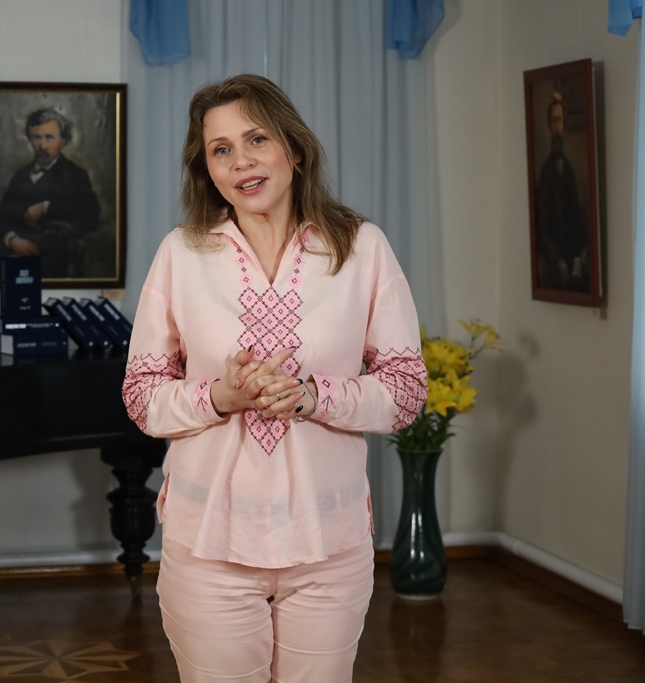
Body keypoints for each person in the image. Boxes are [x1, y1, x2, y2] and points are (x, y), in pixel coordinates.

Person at [121, 74, 428, 683]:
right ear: (207, 169)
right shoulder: (181, 252)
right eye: (221, 149)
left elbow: (406, 390)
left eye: (256, 139)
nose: (241, 161)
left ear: (295, 147)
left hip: (329, 545)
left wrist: (314, 397)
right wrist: (221, 397)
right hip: (207, 543)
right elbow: (141, 395)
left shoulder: (361, 248)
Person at [0, 107, 100, 278]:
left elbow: (91, 216)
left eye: (49, 138)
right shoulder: (21, 176)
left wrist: (47, 208)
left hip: (59, 265)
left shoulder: (75, 175)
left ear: (62, 141)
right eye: (36, 138)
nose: (42, 145)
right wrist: (12, 239)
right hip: (19, 264)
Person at [534, 93, 588, 291]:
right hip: (555, 261)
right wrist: (557, 260)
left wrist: (578, 257)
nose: (558, 127)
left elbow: (576, 217)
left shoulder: (569, 169)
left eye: (560, 120)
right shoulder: (546, 173)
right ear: (549, 126)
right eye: (554, 121)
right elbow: (543, 228)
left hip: (571, 256)